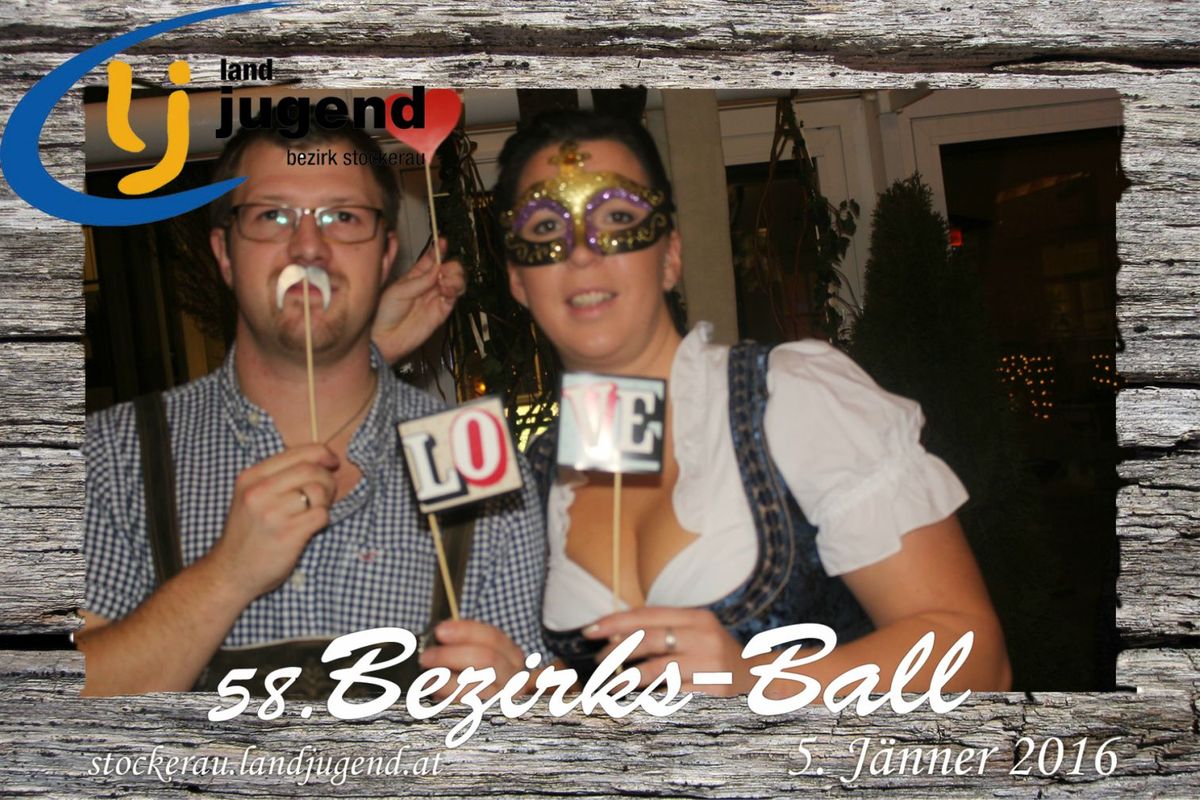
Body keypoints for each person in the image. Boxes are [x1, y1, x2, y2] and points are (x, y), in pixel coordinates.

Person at [491, 109, 1011, 695]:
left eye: (617, 216)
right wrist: (525, 696)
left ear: (670, 255)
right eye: (544, 228)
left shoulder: (791, 399)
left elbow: (978, 658)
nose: (582, 253)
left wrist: (755, 681)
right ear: (518, 280)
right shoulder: (535, 483)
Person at [78, 112, 544, 696]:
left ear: (385, 255)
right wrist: (227, 575)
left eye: (342, 217)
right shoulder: (114, 455)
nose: (307, 247)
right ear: (225, 253)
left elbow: (526, 713)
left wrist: (515, 709)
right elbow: (44, 712)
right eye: (272, 216)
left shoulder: (470, 454)